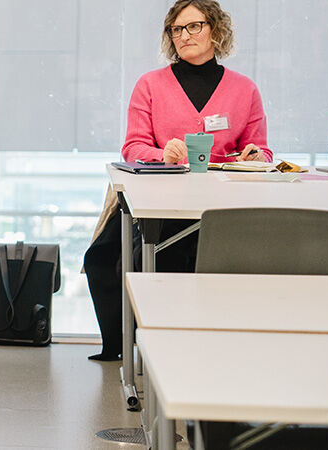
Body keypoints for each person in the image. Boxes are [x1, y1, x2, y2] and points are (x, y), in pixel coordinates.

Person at [84, 0, 272, 361]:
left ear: (215, 30)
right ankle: (150, 353)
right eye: (177, 29)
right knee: (123, 258)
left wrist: (253, 157)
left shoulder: (245, 90)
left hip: (220, 209)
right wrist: (161, 155)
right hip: (161, 203)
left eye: (194, 26)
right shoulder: (150, 85)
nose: (184, 35)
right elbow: (132, 147)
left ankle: (206, 351)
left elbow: (262, 151)